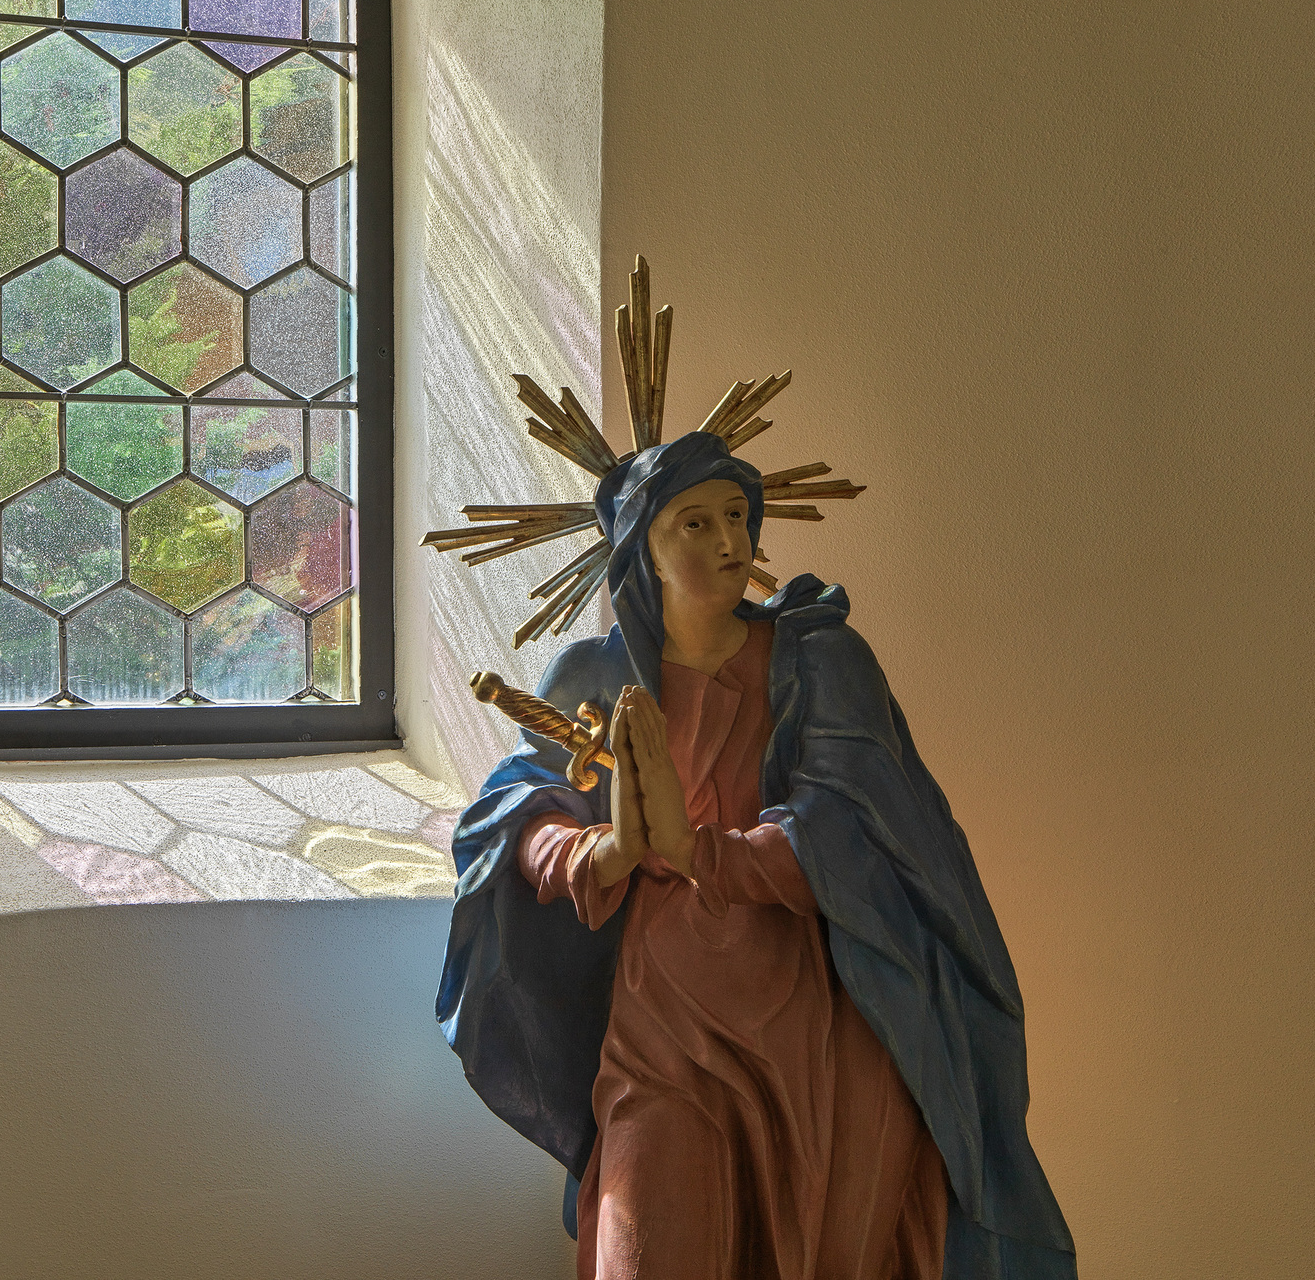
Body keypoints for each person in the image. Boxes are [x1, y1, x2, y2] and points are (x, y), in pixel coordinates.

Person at [437, 429, 1076, 1279]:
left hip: (818, 1030)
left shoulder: (818, 659)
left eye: (737, 515)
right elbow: (509, 815)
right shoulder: (592, 675)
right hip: (663, 1025)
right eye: (695, 522)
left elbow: (853, 826)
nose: (729, 541)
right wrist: (605, 851)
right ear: (643, 550)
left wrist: (699, 850)